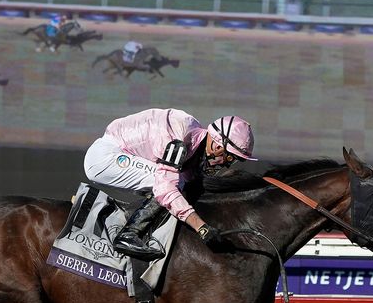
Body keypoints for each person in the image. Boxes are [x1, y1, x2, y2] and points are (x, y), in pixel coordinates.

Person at [83, 108, 257, 261]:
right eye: (230, 158)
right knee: (168, 184)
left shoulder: (194, 140)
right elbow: (165, 188)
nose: (227, 165)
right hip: (105, 156)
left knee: (182, 184)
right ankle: (128, 235)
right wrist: (201, 227)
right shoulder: (179, 139)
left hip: (122, 151)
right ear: (218, 147)